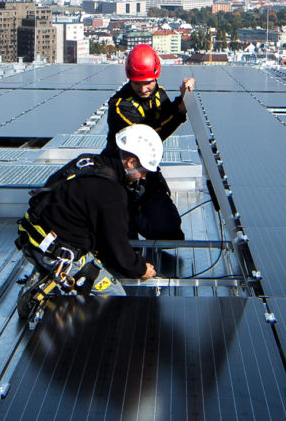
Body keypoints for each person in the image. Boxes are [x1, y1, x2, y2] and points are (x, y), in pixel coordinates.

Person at [21, 124, 165, 293]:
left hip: (31, 237)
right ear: (131, 162)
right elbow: (116, 246)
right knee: (114, 295)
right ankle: (44, 292)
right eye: (144, 172)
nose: (143, 177)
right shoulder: (112, 193)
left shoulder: (87, 162)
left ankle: (44, 273)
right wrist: (140, 268)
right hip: (58, 253)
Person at [105, 44, 193, 241]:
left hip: (146, 171)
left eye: (147, 83)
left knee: (170, 232)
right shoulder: (120, 106)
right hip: (122, 174)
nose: (143, 89)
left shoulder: (158, 94)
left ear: (156, 77)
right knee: (124, 237)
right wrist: (180, 109)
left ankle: (142, 218)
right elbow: (149, 136)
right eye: (137, 84)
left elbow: (165, 117)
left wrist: (182, 101)